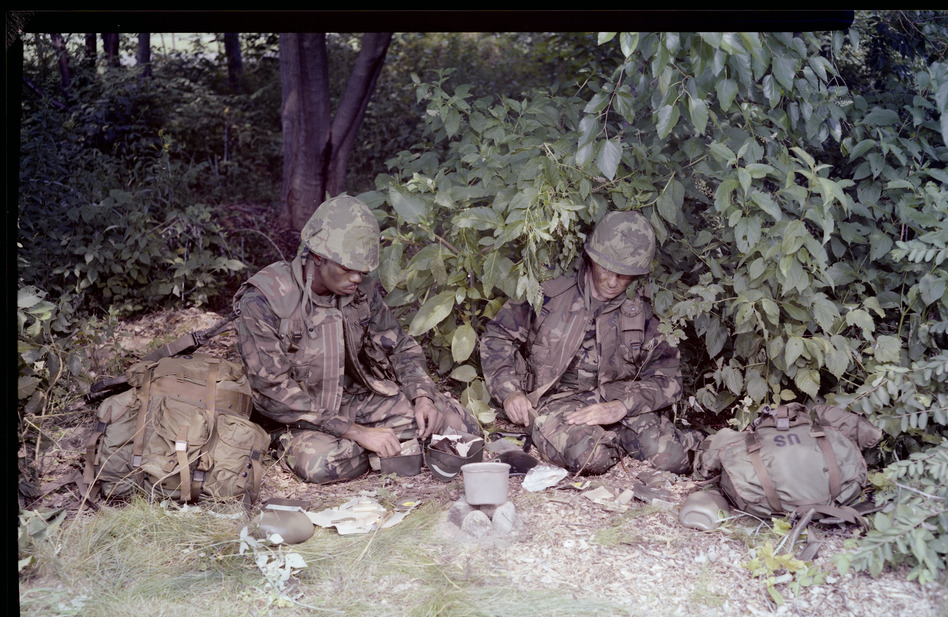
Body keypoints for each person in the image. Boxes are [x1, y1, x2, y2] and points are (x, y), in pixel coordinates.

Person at [234, 194, 479, 483]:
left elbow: (399, 348)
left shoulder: (359, 291)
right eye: (348, 268)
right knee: (324, 465)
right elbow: (273, 391)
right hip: (296, 417)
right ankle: (382, 447)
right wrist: (358, 433)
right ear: (317, 256)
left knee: (458, 423)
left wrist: (422, 396)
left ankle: (384, 446)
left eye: (362, 270)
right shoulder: (265, 299)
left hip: (351, 401)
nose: (356, 278)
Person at [480, 210, 698, 476]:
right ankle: (609, 446)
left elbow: (669, 380)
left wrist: (622, 406)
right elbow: (497, 336)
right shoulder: (549, 285)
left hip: (618, 401)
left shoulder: (647, 307)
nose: (613, 282)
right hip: (556, 401)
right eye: (606, 269)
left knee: (671, 458)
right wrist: (509, 392)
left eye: (624, 275)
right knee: (589, 457)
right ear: (591, 258)